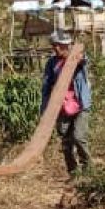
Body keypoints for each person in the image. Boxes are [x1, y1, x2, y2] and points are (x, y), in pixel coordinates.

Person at [40, 29, 92, 176]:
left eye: (59, 45)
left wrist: (79, 55)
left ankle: (89, 170)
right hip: (62, 107)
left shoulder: (76, 58)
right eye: (54, 45)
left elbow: (85, 59)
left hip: (80, 104)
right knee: (66, 143)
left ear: (66, 45)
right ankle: (73, 173)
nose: (56, 48)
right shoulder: (52, 63)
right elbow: (46, 87)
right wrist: (45, 110)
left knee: (79, 137)